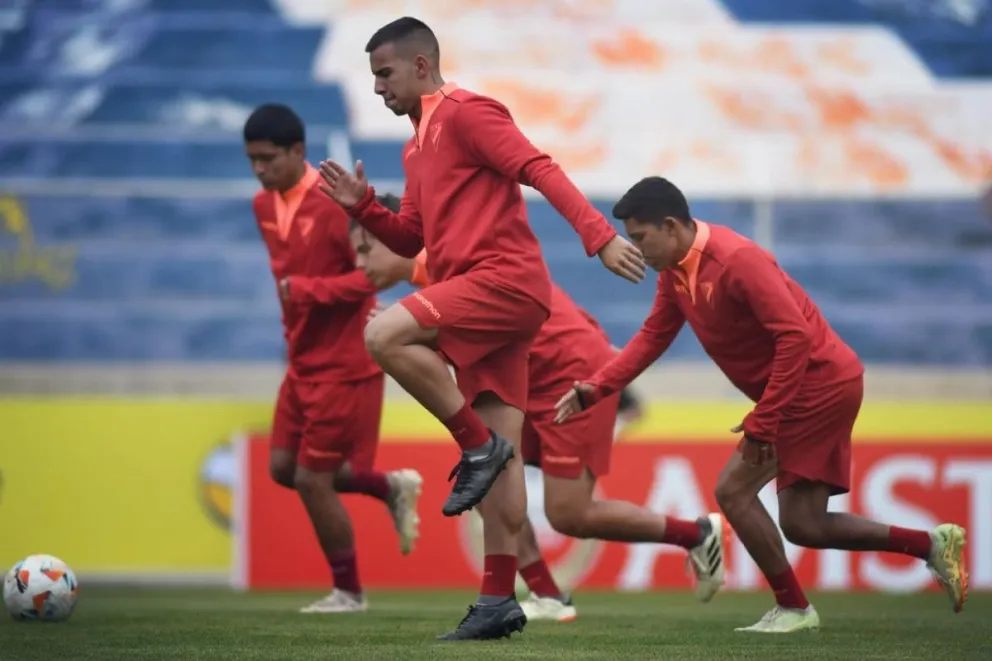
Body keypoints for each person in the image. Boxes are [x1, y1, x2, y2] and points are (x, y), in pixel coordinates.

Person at [317, 17, 645, 640]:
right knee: (503, 467)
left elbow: (540, 168)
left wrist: (599, 237)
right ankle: (498, 601)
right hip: (482, 302)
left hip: (504, 283)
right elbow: (410, 238)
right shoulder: (415, 148)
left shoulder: (469, 112)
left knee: (383, 335)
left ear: (420, 65)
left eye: (385, 73)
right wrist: (362, 206)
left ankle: (475, 446)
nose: (378, 88)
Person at [555, 176, 969, 633]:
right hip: (810, 387)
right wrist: (596, 388)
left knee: (733, 491)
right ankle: (931, 545)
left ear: (670, 226)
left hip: (818, 386)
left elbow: (795, 337)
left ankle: (794, 608)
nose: (636, 249)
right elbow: (653, 337)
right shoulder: (675, 273)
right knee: (805, 525)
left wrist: (764, 419)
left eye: (640, 237)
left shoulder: (736, 259)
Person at [351, 195, 727, 624]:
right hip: (530, 378)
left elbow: (484, 328)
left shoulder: (447, 261)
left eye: (365, 248)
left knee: (568, 514)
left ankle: (696, 534)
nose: (360, 264)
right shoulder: (433, 278)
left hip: (570, 372)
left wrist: (406, 333)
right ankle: (547, 594)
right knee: (484, 477)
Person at [244, 104, 423, 614]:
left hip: (344, 363)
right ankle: (389, 487)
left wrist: (309, 291)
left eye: (268, 158)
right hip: (301, 360)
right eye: (252, 160)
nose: (260, 169)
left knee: (312, 479)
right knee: (283, 468)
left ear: (298, 152)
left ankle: (349, 592)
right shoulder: (263, 205)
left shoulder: (333, 204)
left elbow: (375, 275)